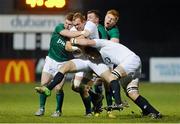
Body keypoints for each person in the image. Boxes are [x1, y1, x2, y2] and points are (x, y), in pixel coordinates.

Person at [69, 38, 162, 119]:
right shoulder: (101, 57)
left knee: (113, 77)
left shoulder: (101, 43)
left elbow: (88, 42)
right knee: (131, 92)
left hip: (130, 60)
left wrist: (73, 40)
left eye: (90, 54)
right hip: (130, 65)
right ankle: (153, 112)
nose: (91, 56)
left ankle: (118, 102)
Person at [34, 12, 84, 117]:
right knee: (43, 84)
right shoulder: (59, 28)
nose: (68, 26)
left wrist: (75, 48)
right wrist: (84, 32)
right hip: (50, 60)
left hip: (63, 63)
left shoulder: (73, 34)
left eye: (70, 24)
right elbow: (67, 34)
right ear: (64, 21)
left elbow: (68, 48)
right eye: (67, 23)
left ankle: (58, 111)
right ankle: (41, 108)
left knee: (58, 88)